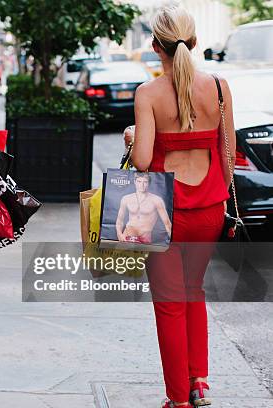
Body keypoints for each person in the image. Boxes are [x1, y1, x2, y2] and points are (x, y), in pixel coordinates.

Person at [124, 6, 234, 408]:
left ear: (155, 47)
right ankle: (198, 381)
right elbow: (227, 151)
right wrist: (222, 201)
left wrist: (132, 135)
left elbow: (141, 160)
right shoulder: (219, 89)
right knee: (194, 291)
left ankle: (178, 399)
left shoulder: (148, 94)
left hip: (162, 212)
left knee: (169, 304)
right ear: (195, 42)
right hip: (209, 207)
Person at [116, 172, 172, 244]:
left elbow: (167, 223)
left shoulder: (156, 200)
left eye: (145, 182)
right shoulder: (126, 198)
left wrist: (172, 242)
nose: (142, 185)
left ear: (149, 183)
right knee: (121, 255)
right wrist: (119, 234)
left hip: (145, 239)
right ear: (135, 182)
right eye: (139, 181)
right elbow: (119, 221)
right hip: (127, 236)